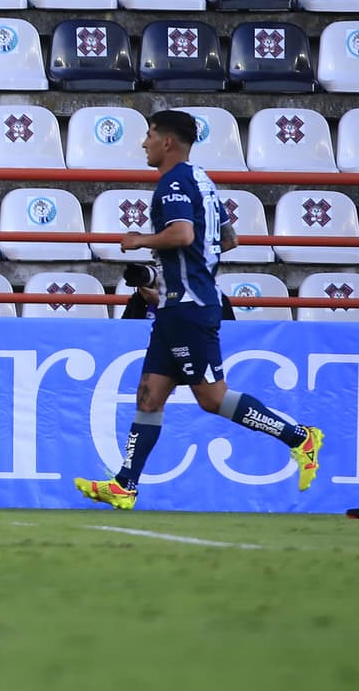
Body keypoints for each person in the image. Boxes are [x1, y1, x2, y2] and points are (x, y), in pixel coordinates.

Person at [75, 110, 323, 510]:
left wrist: (141, 240)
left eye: (150, 135)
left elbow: (183, 233)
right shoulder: (203, 181)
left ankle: (299, 437)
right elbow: (229, 239)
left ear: (167, 142)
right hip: (179, 305)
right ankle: (125, 484)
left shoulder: (172, 183)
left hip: (190, 307)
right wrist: (190, 264)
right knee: (149, 396)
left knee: (212, 398)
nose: (144, 143)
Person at [121, 263, 234, 321]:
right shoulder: (142, 298)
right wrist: (141, 302)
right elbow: (127, 332)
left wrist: (166, 303)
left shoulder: (213, 298)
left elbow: (227, 337)